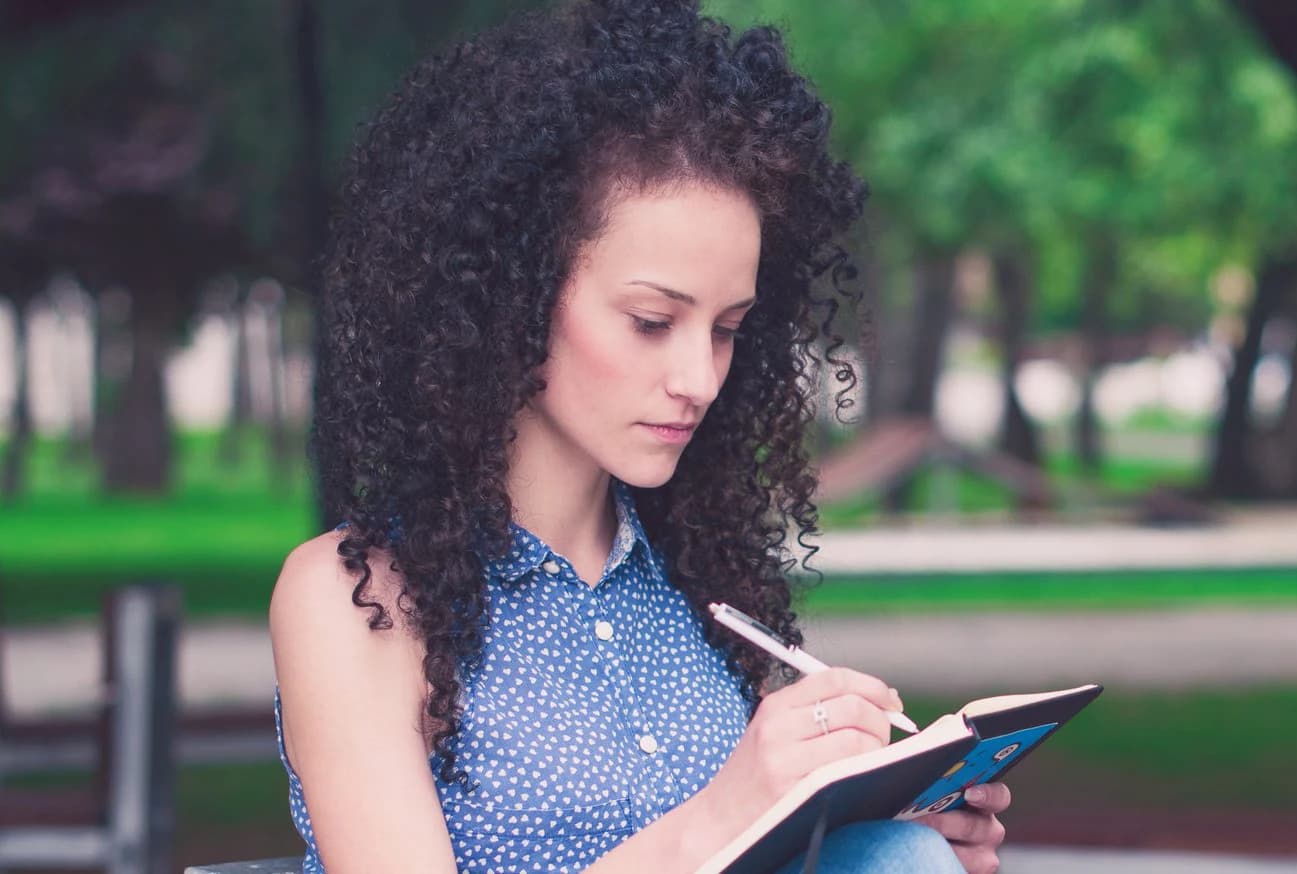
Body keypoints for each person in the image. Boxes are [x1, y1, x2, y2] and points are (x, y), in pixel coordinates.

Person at [269, 1, 1005, 870]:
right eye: (653, 321)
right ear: (514, 294)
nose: (698, 379)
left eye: (728, 328)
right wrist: (724, 811)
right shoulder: (357, 600)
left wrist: (883, 832)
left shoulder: (700, 588)